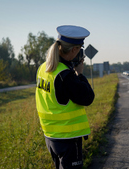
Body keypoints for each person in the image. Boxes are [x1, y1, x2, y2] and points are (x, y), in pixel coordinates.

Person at [35, 25, 95, 169]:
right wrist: (79, 74)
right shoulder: (66, 76)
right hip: (68, 138)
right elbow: (88, 97)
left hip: (50, 136)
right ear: (74, 50)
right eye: (80, 49)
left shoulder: (43, 68)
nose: (81, 53)